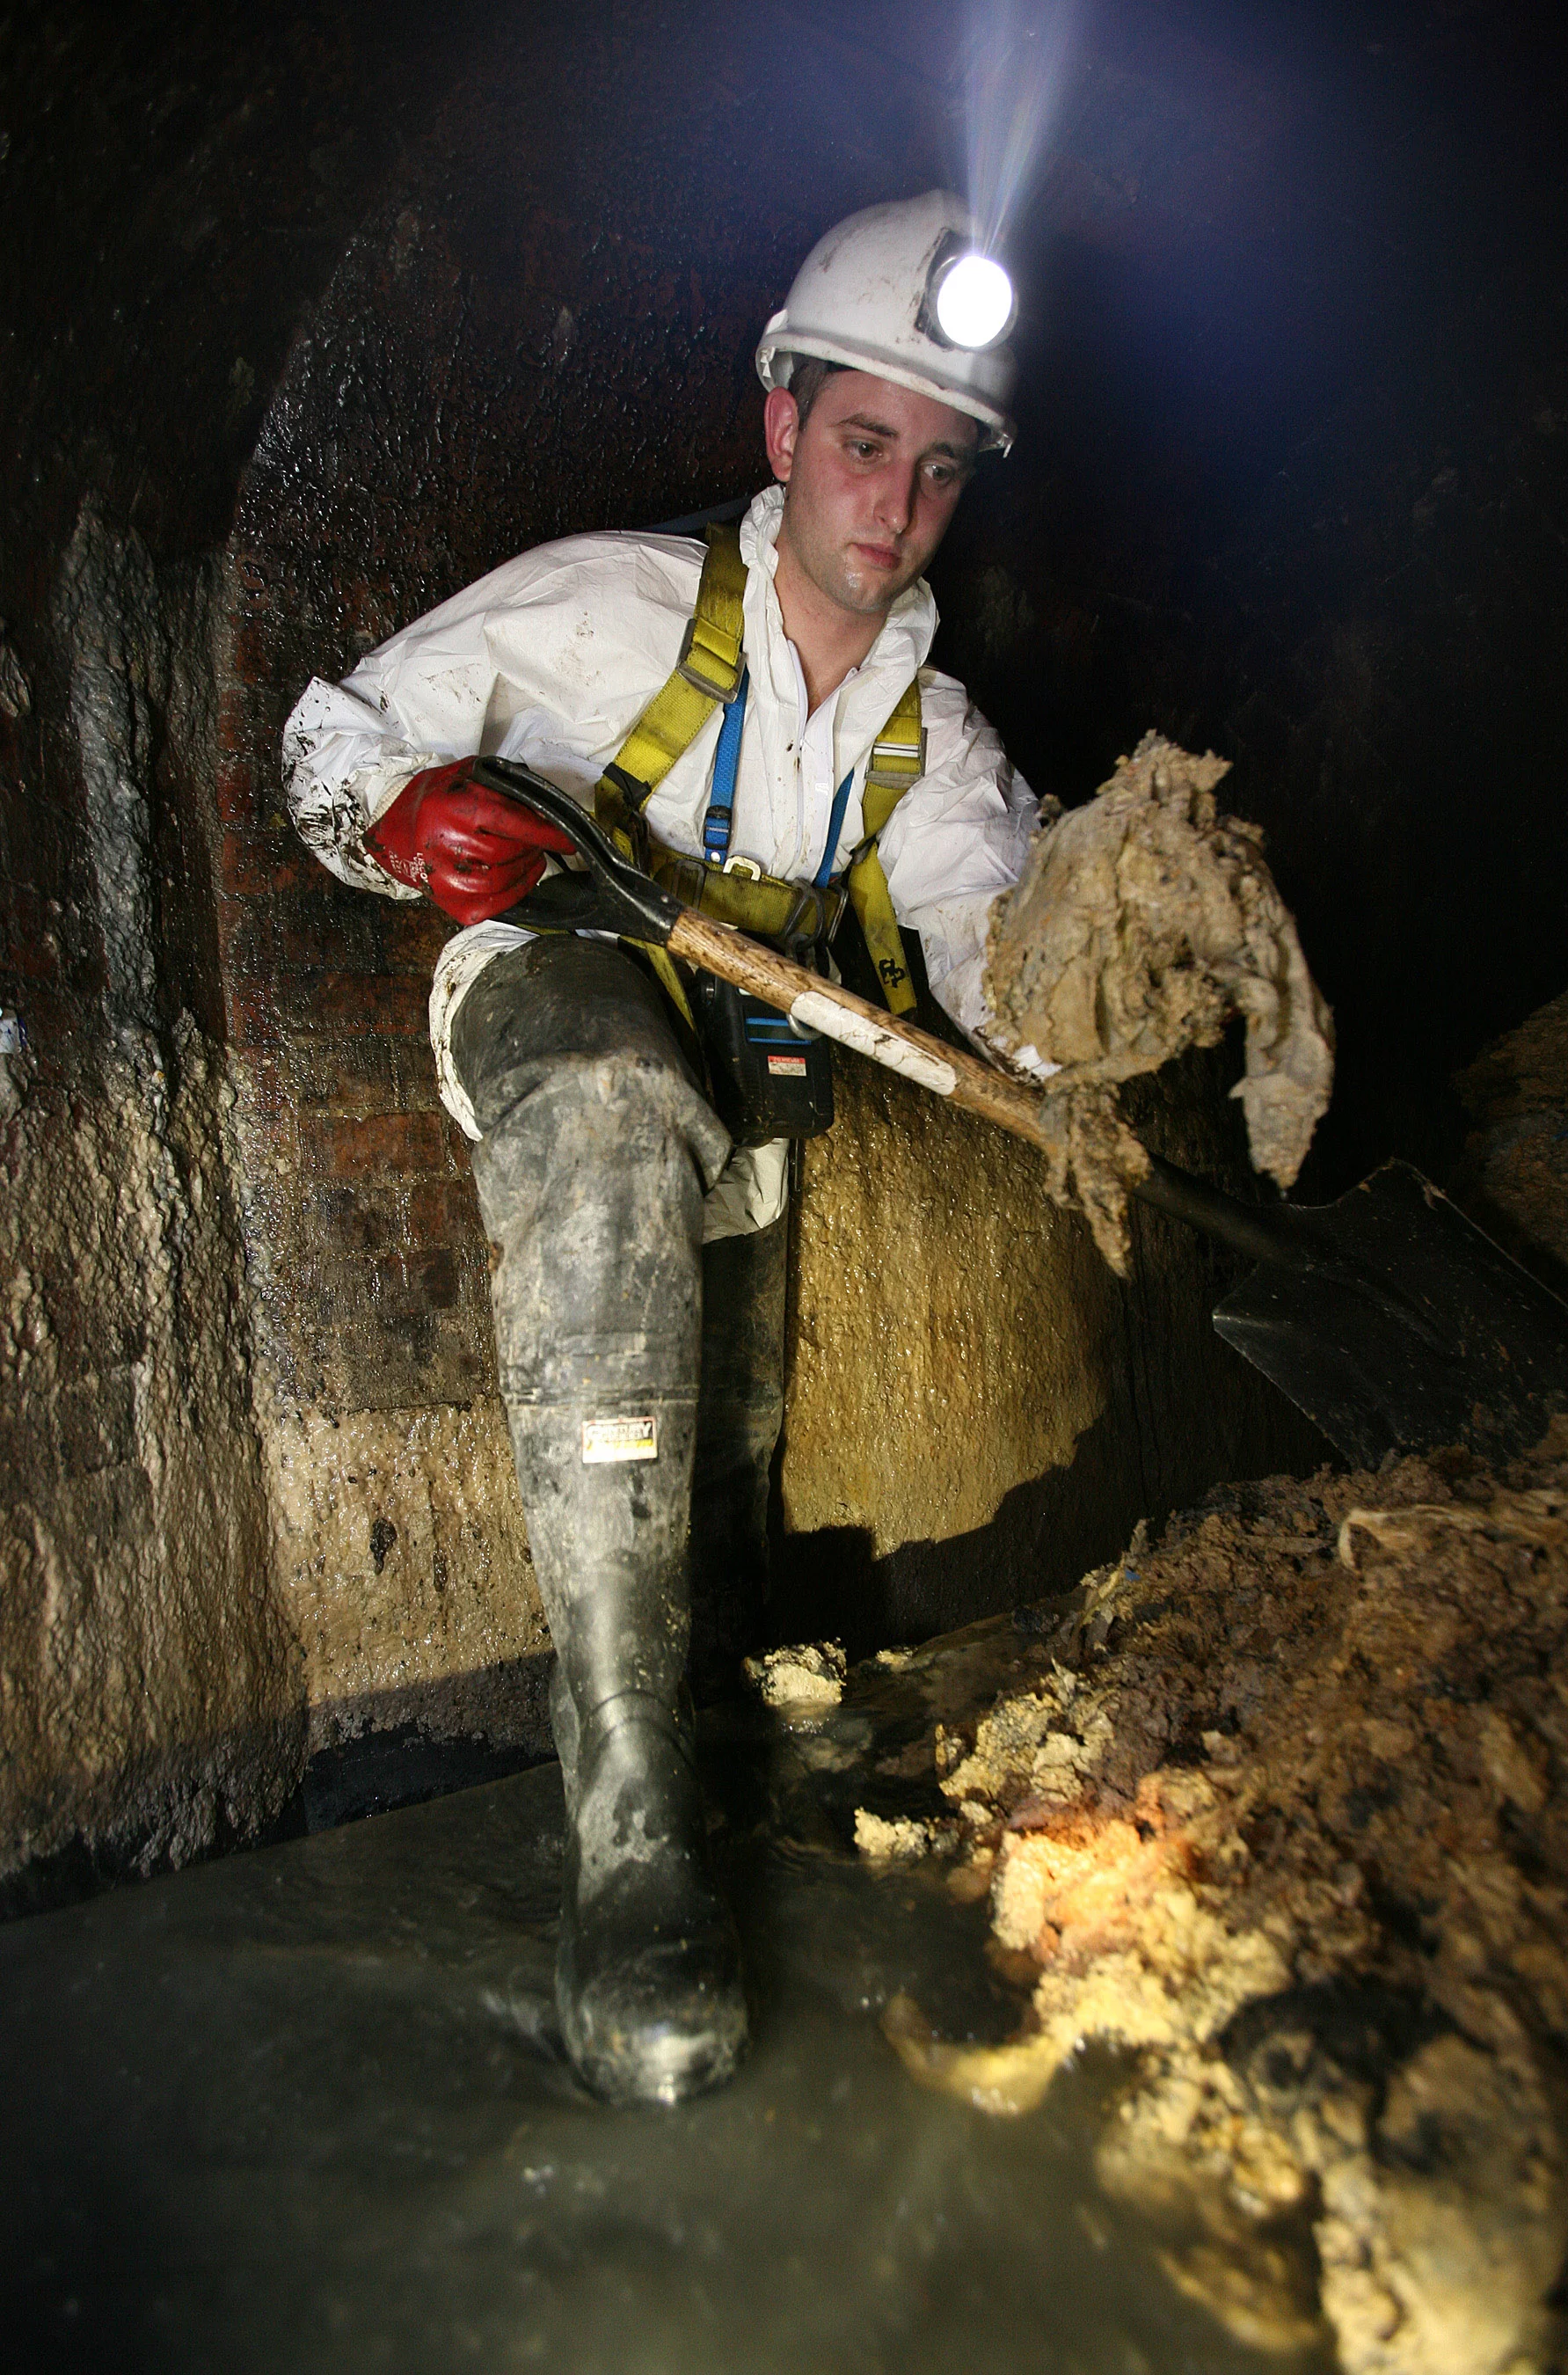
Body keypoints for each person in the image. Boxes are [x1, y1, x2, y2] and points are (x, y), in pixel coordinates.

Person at [283, 191, 1039, 2107]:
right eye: (865, 444)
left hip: (749, 1074)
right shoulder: (614, 606)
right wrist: (400, 821)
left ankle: (709, 1739)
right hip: (559, 1003)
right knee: (622, 1106)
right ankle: (626, 1843)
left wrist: (1103, 1016)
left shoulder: (932, 747)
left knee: (718, 1446)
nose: (895, 503)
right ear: (781, 423)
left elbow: (1006, 970)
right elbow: (336, 741)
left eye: (939, 469)